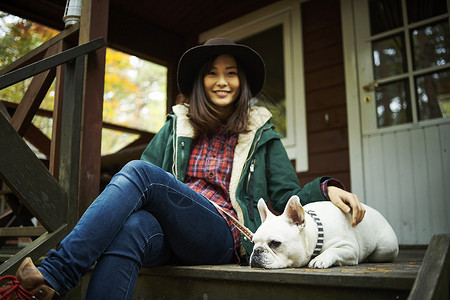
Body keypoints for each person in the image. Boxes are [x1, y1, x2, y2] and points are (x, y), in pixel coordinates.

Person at [0, 37, 365, 300]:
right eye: (212, 74)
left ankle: (57, 272)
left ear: (242, 83)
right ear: (200, 82)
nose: (222, 81)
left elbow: (288, 198)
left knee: (140, 173)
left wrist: (325, 189)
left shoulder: (263, 136)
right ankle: (55, 278)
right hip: (168, 232)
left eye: (232, 73)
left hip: (222, 234)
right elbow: (137, 188)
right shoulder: (176, 128)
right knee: (132, 226)